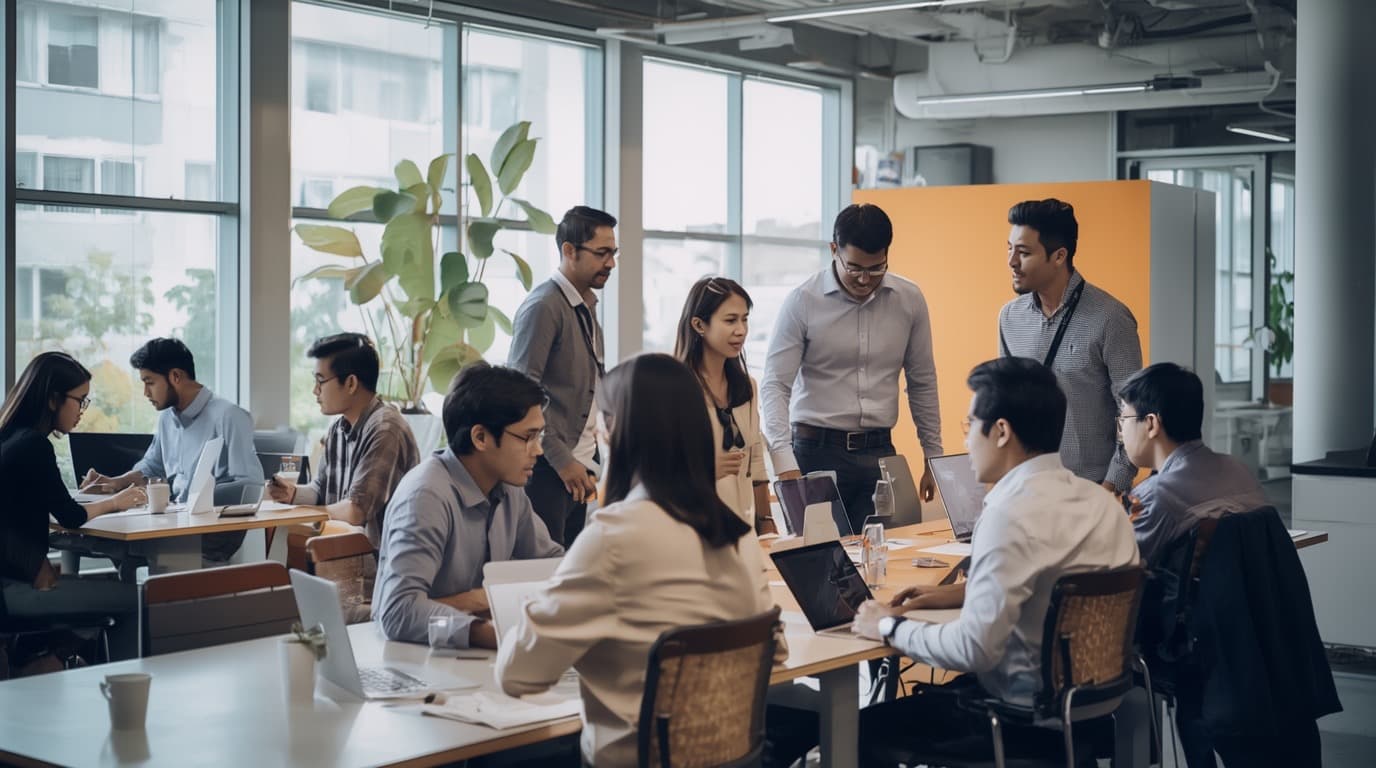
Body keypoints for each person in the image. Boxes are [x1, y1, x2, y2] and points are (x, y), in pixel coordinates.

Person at [496, 354, 786, 766]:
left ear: (614, 432)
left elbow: (517, 674)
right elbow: (775, 653)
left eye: (601, 419)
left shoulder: (613, 537)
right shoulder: (737, 535)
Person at [844, 357, 1139, 764]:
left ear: (1001, 431)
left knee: (856, 730)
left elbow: (973, 649)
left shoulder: (1009, 512)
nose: (965, 442)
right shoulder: (1102, 504)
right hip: (1094, 708)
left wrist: (888, 625)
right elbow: (1052, 586)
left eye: (969, 427)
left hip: (1016, 719)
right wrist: (956, 595)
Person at [761, 203, 942, 532]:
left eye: (876, 269)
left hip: (880, 455)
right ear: (834, 250)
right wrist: (784, 462)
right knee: (825, 565)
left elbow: (922, 382)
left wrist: (933, 457)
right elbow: (774, 385)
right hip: (814, 455)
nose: (864, 279)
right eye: (854, 267)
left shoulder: (909, 299)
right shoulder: (802, 301)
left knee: (889, 560)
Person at [372, 363, 563, 649]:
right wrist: (488, 625)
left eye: (540, 436)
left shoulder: (510, 491)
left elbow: (554, 571)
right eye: (528, 437)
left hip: (471, 659)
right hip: (413, 659)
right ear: (480, 437)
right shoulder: (426, 496)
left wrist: (476, 601)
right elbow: (399, 611)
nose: (537, 450)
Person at [0, 352, 146, 660]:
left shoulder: (10, 438)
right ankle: (124, 688)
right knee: (139, 598)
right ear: (53, 399)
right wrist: (115, 501)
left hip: (9, 585)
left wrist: (87, 495)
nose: (82, 410)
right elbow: (71, 516)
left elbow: (38, 501)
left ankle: (47, 657)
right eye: (80, 400)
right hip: (14, 593)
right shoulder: (34, 445)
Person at [998, 198, 1142, 494]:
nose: (1012, 261)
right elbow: (1006, 405)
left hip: (1091, 491)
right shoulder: (1009, 318)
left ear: (1059, 255)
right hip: (1027, 490)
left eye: (1023, 252)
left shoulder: (1111, 318)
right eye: (1009, 249)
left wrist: (1112, 486)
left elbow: (1133, 413)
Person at [81, 338, 263, 564]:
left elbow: (249, 484)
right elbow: (151, 467)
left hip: (212, 530)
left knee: (114, 541)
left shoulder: (229, 416)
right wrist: (115, 482)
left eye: (150, 382)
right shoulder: (167, 418)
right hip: (174, 523)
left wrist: (195, 501)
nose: (146, 393)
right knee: (101, 536)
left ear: (175, 377)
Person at [508, 205, 617, 546]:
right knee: (544, 575)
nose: (611, 263)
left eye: (613, 253)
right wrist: (562, 460)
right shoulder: (544, 307)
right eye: (601, 253)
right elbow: (521, 392)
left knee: (569, 568)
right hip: (548, 468)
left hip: (581, 463)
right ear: (569, 251)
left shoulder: (587, 306)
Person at [265, 332, 420, 548]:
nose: (314, 391)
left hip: (377, 565)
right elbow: (321, 489)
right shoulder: (337, 429)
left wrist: (308, 513)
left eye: (320, 381)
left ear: (350, 383)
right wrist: (293, 494)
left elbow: (356, 511)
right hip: (339, 553)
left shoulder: (386, 430)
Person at [1116, 362, 1268, 565]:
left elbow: (1116, 570)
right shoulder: (1239, 469)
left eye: (1123, 418)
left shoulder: (1156, 496)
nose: (1120, 430)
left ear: (1151, 424)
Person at [673, 276, 776, 534]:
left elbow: (756, 462)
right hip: (691, 530)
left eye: (745, 319)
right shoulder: (673, 389)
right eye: (730, 320)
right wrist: (703, 468)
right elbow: (654, 470)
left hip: (743, 529)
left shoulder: (747, 387)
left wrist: (766, 522)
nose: (741, 330)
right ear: (699, 324)